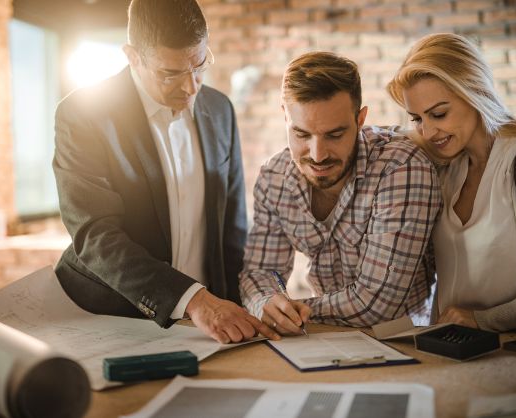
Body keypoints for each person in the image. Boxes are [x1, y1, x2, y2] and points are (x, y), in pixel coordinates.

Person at [52, 0, 278, 343]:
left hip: (206, 325)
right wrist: (194, 300)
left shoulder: (220, 109)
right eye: (170, 73)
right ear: (132, 56)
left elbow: (231, 230)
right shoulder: (83, 114)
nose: (191, 87)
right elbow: (95, 235)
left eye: (199, 65)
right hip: (113, 316)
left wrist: (247, 303)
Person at [239, 51, 442, 334]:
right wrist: (267, 301)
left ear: (360, 119)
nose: (318, 155)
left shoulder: (400, 167)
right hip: (325, 341)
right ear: (285, 117)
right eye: (301, 134)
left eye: (334, 135)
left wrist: (297, 311)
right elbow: (261, 271)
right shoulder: (274, 177)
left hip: (404, 342)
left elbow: (378, 303)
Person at [386, 33, 516, 332]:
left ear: (475, 93)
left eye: (439, 114)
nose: (428, 132)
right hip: (446, 353)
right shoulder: (440, 167)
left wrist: (485, 320)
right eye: (417, 119)